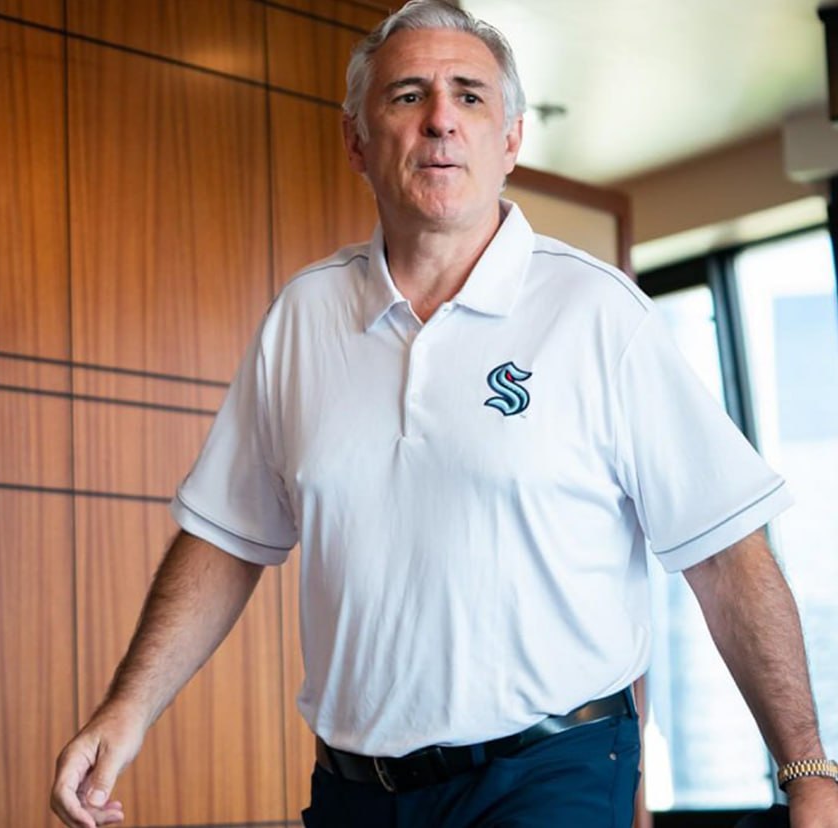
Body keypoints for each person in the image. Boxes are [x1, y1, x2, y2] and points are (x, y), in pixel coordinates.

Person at [50, 2, 838, 826]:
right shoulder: (303, 318)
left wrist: (808, 769)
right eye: (407, 96)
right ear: (356, 141)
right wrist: (124, 710)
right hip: (356, 790)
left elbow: (726, 553)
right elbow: (226, 538)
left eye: (469, 95)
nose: (439, 120)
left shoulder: (599, 314)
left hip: (549, 772)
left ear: (511, 140)